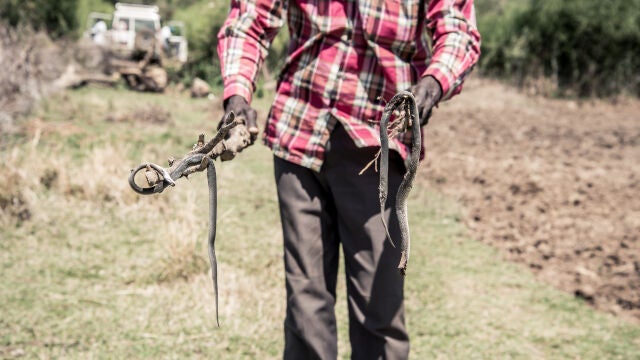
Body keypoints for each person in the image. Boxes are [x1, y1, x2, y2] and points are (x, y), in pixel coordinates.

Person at [216, 1, 480, 358]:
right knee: (305, 305)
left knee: (379, 309)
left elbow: (458, 29)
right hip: (300, 131)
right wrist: (237, 94)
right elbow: (251, 19)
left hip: (378, 145)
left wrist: (432, 85)